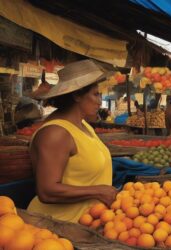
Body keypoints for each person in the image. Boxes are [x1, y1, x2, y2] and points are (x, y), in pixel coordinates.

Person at [27, 60, 117, 223]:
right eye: (95, 94)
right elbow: (47, 191)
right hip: (58, 226)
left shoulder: (84, 126)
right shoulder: (55, 133)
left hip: (87, 223)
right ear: (76, 95)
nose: (99, 101)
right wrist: (98, 191)